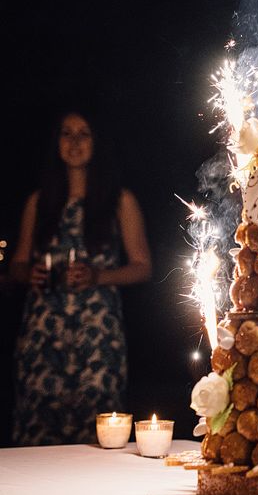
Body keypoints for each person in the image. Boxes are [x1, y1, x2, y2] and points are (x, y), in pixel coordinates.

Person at [9, 111, 152, 445]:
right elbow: (17, 263)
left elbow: (143, 266)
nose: (74, 142)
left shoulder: (119, 200)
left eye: (83, 134)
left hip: (96, 335)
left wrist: (98, 275)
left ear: (97, 142)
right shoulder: (39, 201)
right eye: (66, 134)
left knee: (96, 434)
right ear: (56, 143)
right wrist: (29, 272)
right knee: (40, 432)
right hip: (44, 334)